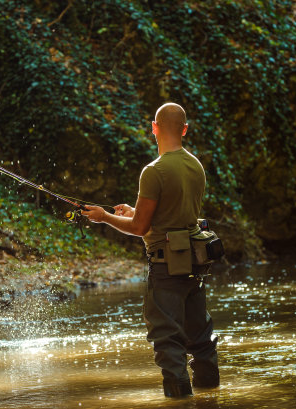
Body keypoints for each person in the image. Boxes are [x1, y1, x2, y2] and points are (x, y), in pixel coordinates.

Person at [82, 102, 219, 398]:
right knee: (200, 337)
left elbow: (140, 228)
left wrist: (103, 216)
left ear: (154, 128)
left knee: (168, 341)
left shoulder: (154, 171)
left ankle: (180, 401)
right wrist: (134, 211)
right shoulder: (195, 165)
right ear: (184, 129)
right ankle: (211, 396)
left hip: (166, 267)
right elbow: (176, 215)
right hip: (195, 264)